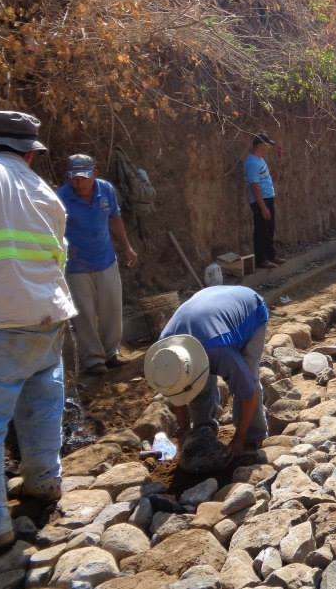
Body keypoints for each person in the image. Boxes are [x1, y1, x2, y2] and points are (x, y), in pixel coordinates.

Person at [0, 111, 76, 560]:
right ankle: (44, 481)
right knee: (41, 403)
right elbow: (57, 259)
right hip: (49, 313)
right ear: (31, 154)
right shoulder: (47, 193)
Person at [145, 285, 269, 457]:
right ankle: (203, 429)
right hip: (210, 306)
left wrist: (239, 439)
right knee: (193, 384)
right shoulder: (166, 353)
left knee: (248, 377)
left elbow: (249, 394)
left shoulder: (220, 351)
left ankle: (252, 437)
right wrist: (184, 430)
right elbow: (177, 390)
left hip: (250, 309)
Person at [57, 154, 137, 375]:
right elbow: (54, 231)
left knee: (111, 307)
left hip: (105, 260)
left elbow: (114, 218)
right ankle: (93, 360)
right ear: (68, 177)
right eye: (74, 178)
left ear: (94, 174)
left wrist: (127, 247)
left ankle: (111, 354)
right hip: (75, 267)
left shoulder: (106, 190)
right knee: (84, 314)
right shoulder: (60, 198)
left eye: (83, 178)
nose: (79, 183)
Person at [245, 132, 279, 269]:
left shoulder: (260, 160)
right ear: (260, 145)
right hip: (261, 201)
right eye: (267, 145)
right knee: (261, 230)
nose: (268, 148)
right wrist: (263, 206)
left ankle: (271, 256)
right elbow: (254, 185)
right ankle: (261, 259)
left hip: (268, 198)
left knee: (269, 228)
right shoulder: (252, 162)